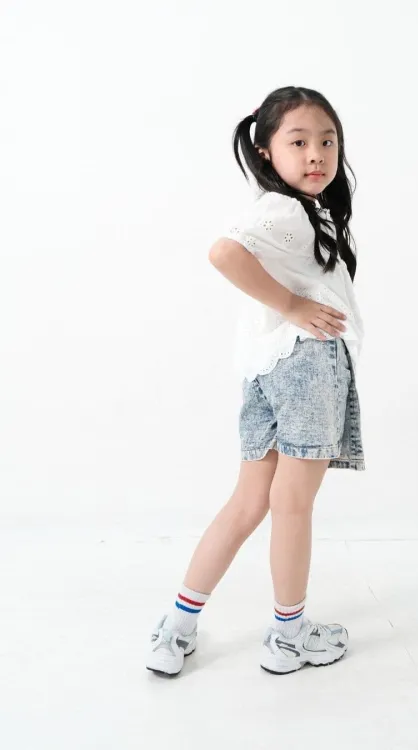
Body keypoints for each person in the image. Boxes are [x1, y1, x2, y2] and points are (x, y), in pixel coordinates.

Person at [146, 85, 366, 677]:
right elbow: (224, 253)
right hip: (306, 367)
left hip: (266, 371)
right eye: (299, 142)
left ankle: (176, 629)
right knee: (292, 506)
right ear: (266, 150)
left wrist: (289, 305)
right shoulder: (286, 211)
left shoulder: (298, 211)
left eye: (328, 141)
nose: (316, 153)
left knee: (249, 503)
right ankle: (289, 638)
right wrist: (293, 306)